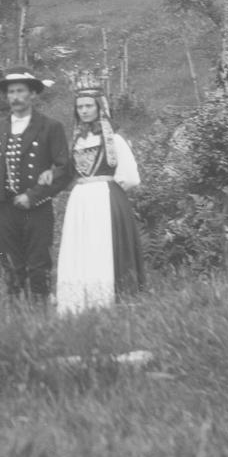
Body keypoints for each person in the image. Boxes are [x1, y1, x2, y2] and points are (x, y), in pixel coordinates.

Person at [0, 66, 72, 303]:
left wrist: (33, 196)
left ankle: (40, 310)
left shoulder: (50, 127)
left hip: (36, 208)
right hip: (3, 208)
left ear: (32, 94)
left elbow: (65, 169)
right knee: (8, 262)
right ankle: (15, 313)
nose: (15, 97)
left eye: (20, 91)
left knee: (38, 262)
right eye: (11, 92)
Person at [55, 87, 146, 314]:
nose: (84, 111)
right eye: (80, 107)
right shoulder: (75, 142)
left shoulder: (114, 140)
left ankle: (109, 302)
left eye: (88, 106)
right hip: (80, 203)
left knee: (104, 246)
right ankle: (79, 304)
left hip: (106, 200)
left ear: (99, 107)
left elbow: (132, 178)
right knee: (83, 248)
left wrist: (109, 190)